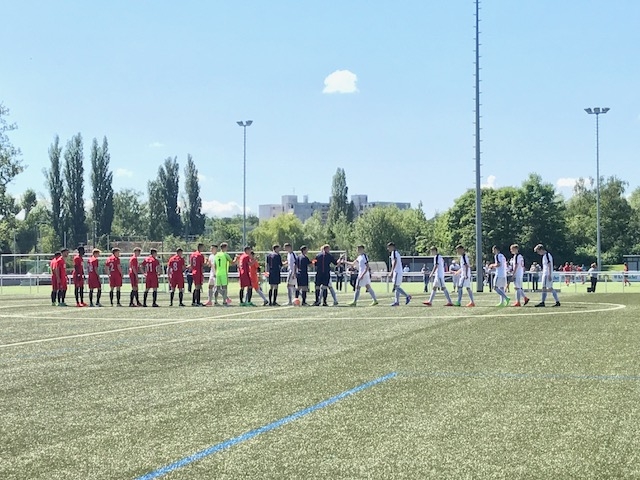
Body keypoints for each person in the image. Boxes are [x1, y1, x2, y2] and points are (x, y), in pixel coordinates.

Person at [387, 242, 411, 306]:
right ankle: (396, 302)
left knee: (396, 287)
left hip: (397, 271)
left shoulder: (394, 253)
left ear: (392, 247)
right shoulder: (395, 253)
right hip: (398, 271)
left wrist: (391, 271)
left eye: (389, 247)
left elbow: (395, 262)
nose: (388, 249)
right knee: (397, 287)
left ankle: (407, 296)